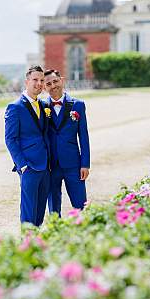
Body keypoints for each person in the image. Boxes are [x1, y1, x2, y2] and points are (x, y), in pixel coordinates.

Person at [4, 65, 50, 226]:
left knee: (40, 212)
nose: (39, 83)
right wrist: (22, 165)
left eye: (42, 80)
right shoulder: (15, 107)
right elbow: (10, 139)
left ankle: (37, 246)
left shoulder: (44, 106)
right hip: (29, 166)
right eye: (35, 80)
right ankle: (27, 246)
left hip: (45, 166)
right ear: (27, 81)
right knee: (28, 211)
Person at [44, 69, 90, 216]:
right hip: (51, 166)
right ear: (45, 87)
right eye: (48, 84)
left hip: (73, 165)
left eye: (55, 81)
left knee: (80, 205)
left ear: (62, 80)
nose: (53, 86)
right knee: (53, 208)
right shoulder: (42, 107)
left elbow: (84, 136)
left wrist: (85, 164)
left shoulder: (78, 105)